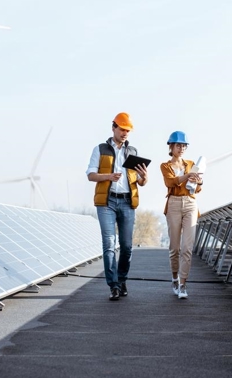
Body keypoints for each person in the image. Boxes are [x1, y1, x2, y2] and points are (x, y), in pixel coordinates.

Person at [86, 112, 149, 301]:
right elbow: (90, 175)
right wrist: (108, 176)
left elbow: (140, 181)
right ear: (113, 128)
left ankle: (122, 280)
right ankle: (113, 285)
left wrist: (145, 177)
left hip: (127, 202)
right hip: (107, 202)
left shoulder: (133, 152)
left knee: (127, 246)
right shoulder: (100, 149)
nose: (125, 133)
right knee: (109, 244)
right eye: (122, 129)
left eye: (128, 130)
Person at [159, 131, 202, 299]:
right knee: (175, 248)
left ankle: (183, 284)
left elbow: (197, 188)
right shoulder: (165, 166)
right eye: (178, 145)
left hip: (190, 203)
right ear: (171, 147)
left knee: (187, 248)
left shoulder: (191, 164)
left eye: (184, 145)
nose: (182, 148)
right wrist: (187, 176)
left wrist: (198, 181)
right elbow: (170, 182)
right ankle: (175, 278)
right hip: (174, 204)